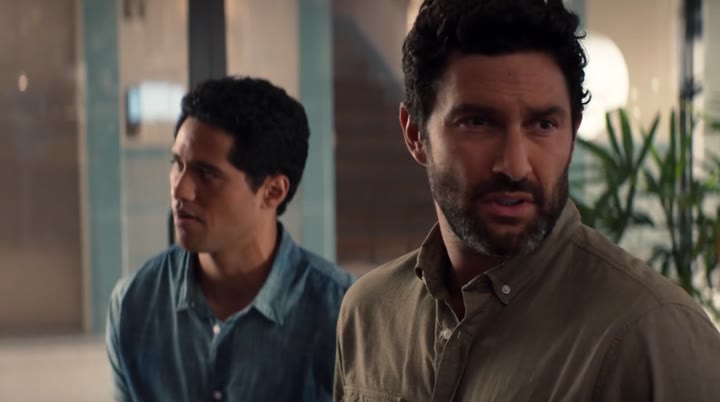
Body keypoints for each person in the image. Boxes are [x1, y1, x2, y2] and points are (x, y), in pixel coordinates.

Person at [333, 0, 720, 401]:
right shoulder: (368, 313)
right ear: (415, 134)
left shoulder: (653, 335)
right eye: (478, 123)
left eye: (543, 124)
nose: (514, 166)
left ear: (573, 134)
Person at [107, 76, 354, 402]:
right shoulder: (134, 304)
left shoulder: (344, 317)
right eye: (177, 164)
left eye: (206, 173)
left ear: (273, 191)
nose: (180, 189)